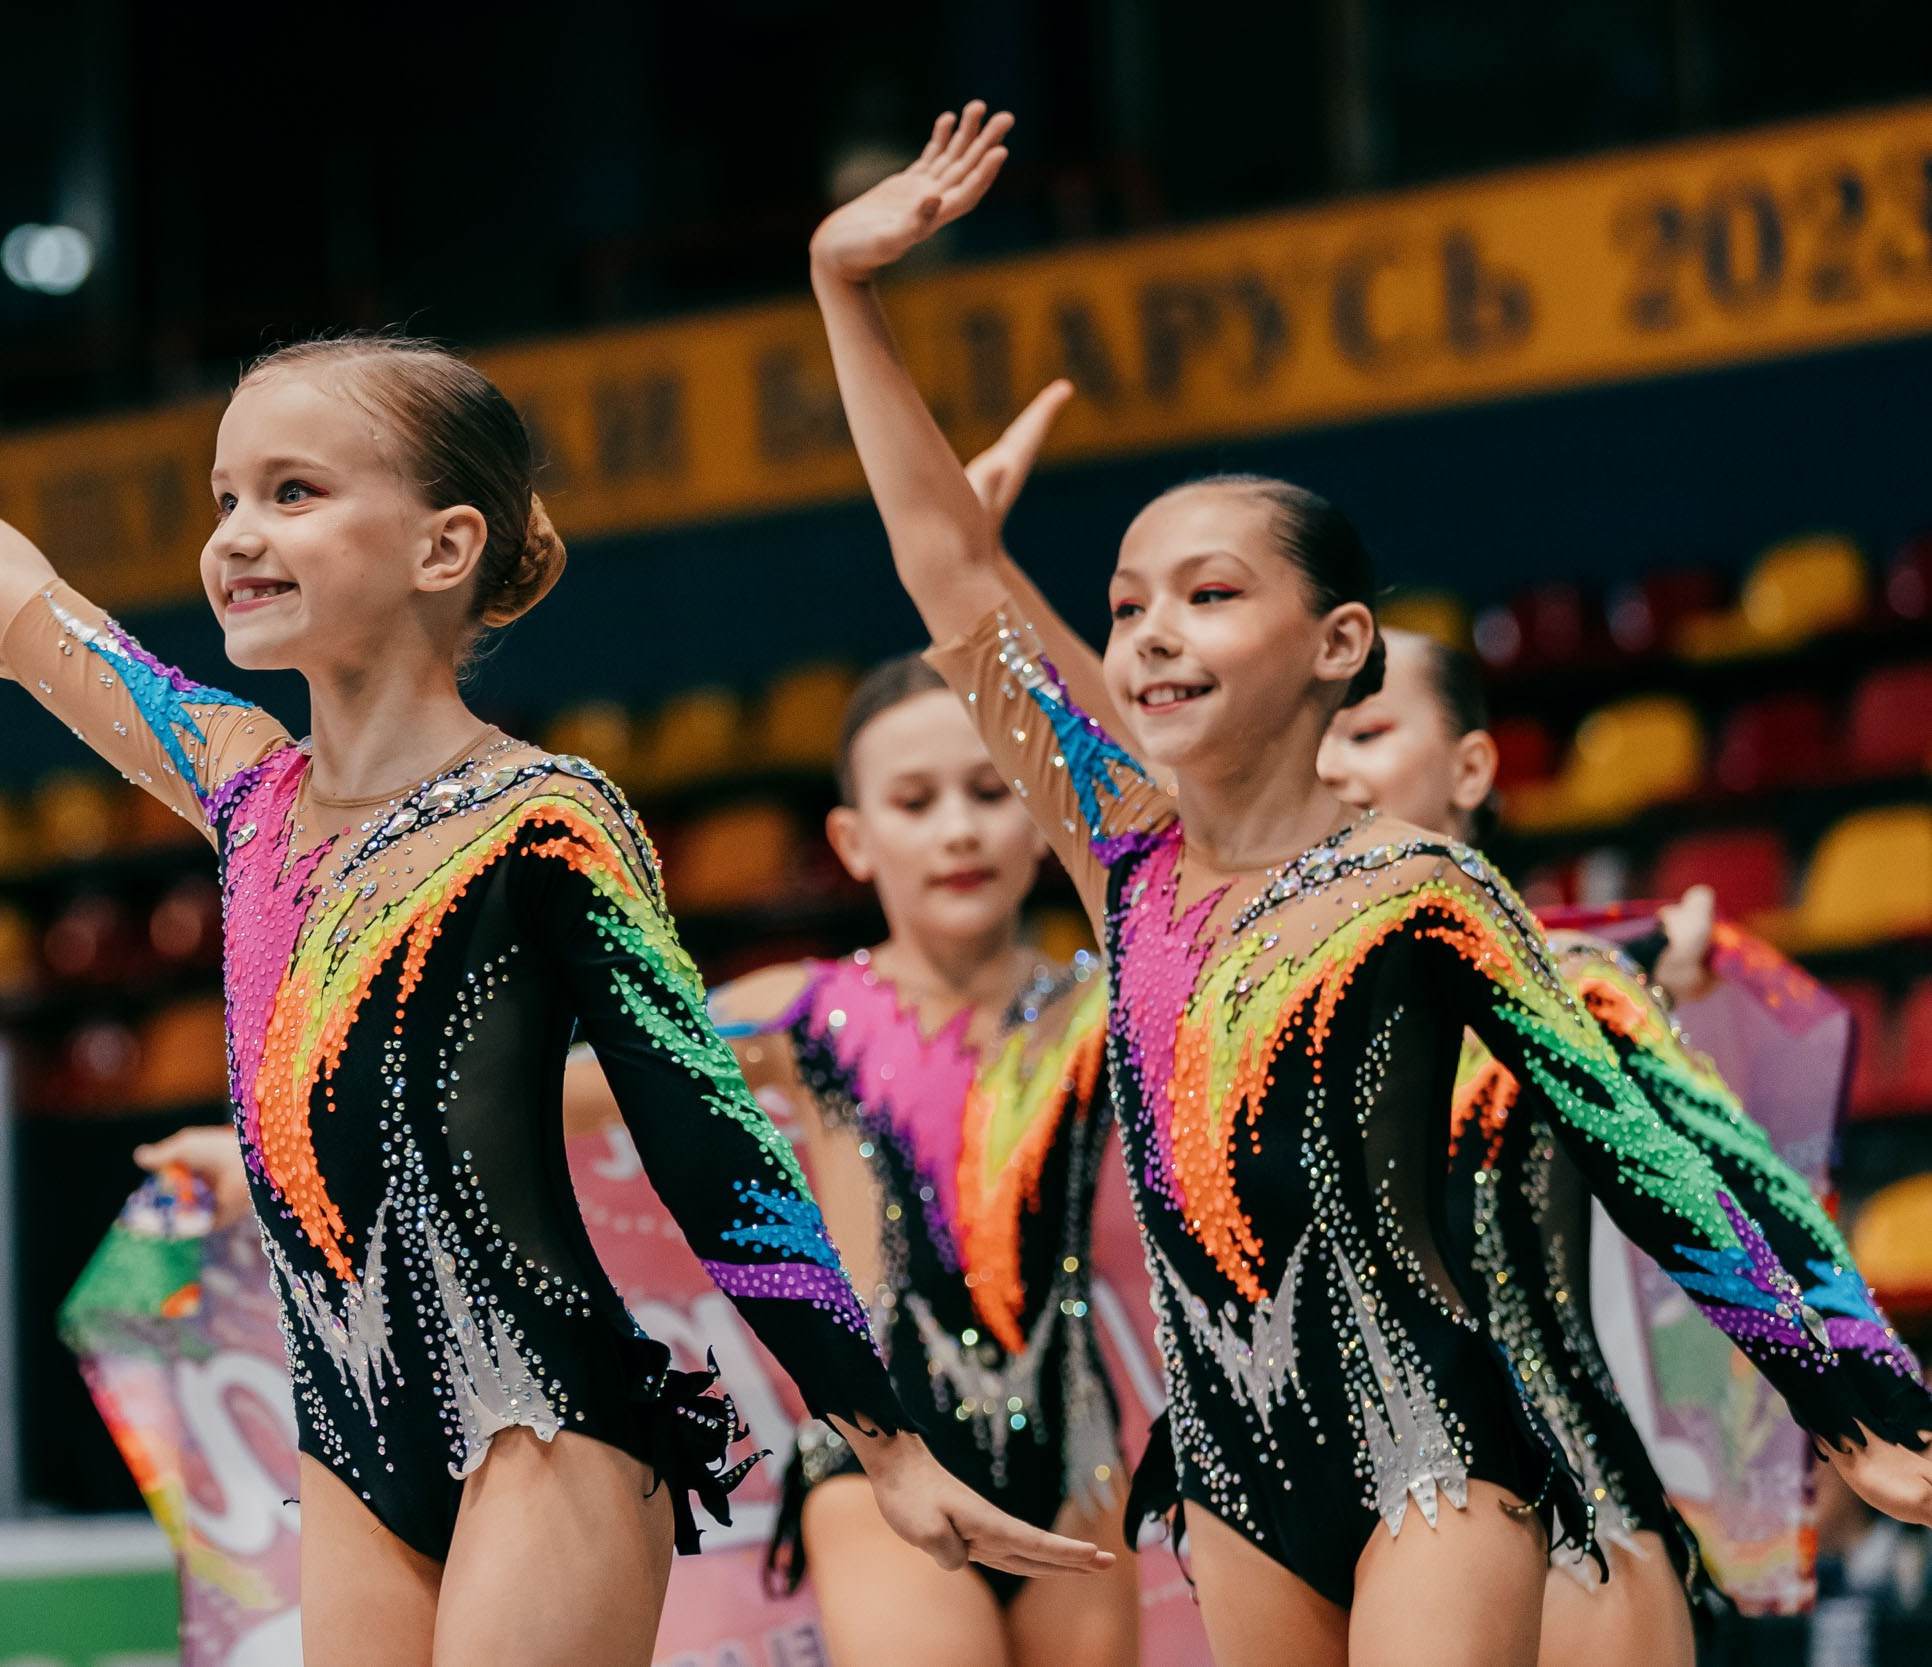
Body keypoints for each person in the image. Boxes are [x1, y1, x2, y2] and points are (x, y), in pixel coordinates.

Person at [0, 287, 1104, 1667]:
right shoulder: (243, 789)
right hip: (352, 1442)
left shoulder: (548, 818)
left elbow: (709, 1142)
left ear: (444, 544)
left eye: (293, 491)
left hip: (549, 1426)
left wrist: (881, 1437)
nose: (236, 533)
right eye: (226, 497)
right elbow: (24, 602)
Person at [805, 102, 1932, 1667]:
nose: (1151, 632)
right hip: (1231, 1470)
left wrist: (1841, 1397)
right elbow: (948, 569)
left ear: (1340, 644)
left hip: (1435, 1447)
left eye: (1210, 594)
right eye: (1127, 607)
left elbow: (1639, 1146)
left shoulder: (1416, 885)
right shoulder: (1122, 853)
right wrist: (844, 291)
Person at [147, 398, 1142, 1667]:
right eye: (915, 799)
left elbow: (1161, 836)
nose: (957, 828)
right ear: (851, 839)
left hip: (1073, 1442)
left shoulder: (1091, 1008)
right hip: (855, 1441)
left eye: (989, 793)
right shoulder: (806, 1009)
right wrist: (264, 1152)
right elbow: (540, 1086)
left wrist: (976, 583)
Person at [1321, 630, 1924, 1664]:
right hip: (1343, 1526)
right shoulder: (1277, 1014)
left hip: (1567, 1523)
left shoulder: (1570, 984)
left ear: (1471, 767)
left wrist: (1873, 1401)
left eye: (1367, 732)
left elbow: (1743, 1184)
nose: (1331, 766)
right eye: (1314, 740)